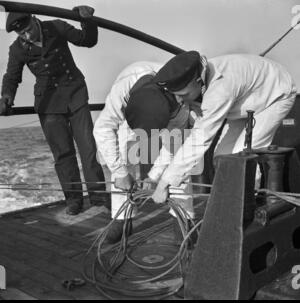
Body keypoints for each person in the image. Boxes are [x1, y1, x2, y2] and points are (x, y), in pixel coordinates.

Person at [0, 8, 110, 215]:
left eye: (29, 29)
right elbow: (11, 76)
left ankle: (98, 197)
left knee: (88, 149)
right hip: (48, 103)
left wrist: (87, 21)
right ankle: (74, 200)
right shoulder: (17, 49)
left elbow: (86, 40)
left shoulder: (55, 26)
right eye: (22, 34)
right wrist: (6, 97)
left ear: (34, 19)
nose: (28, 36)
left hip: (75, 94)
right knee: (63, 154)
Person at [150, 51, 297, 203]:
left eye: (183, 94)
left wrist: (164, 182)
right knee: (222, 158)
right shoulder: (204, 80)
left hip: (276, 95)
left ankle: (246, 208)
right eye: (175, 95)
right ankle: (230, 202)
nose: (179, 100)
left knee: (242, 159)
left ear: (198, 80)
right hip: (244, 100)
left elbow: (200, 139)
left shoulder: (220, 89)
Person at [93, 61, 198, 243]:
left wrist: (154, 177)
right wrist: (120, 173)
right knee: (123, 155)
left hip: (166, 111)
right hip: (132, 108)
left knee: (180, 163)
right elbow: (102, 129)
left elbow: (173, 147)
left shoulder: (178, 106)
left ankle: (183, 217)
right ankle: (121, 219)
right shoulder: (122, 91)